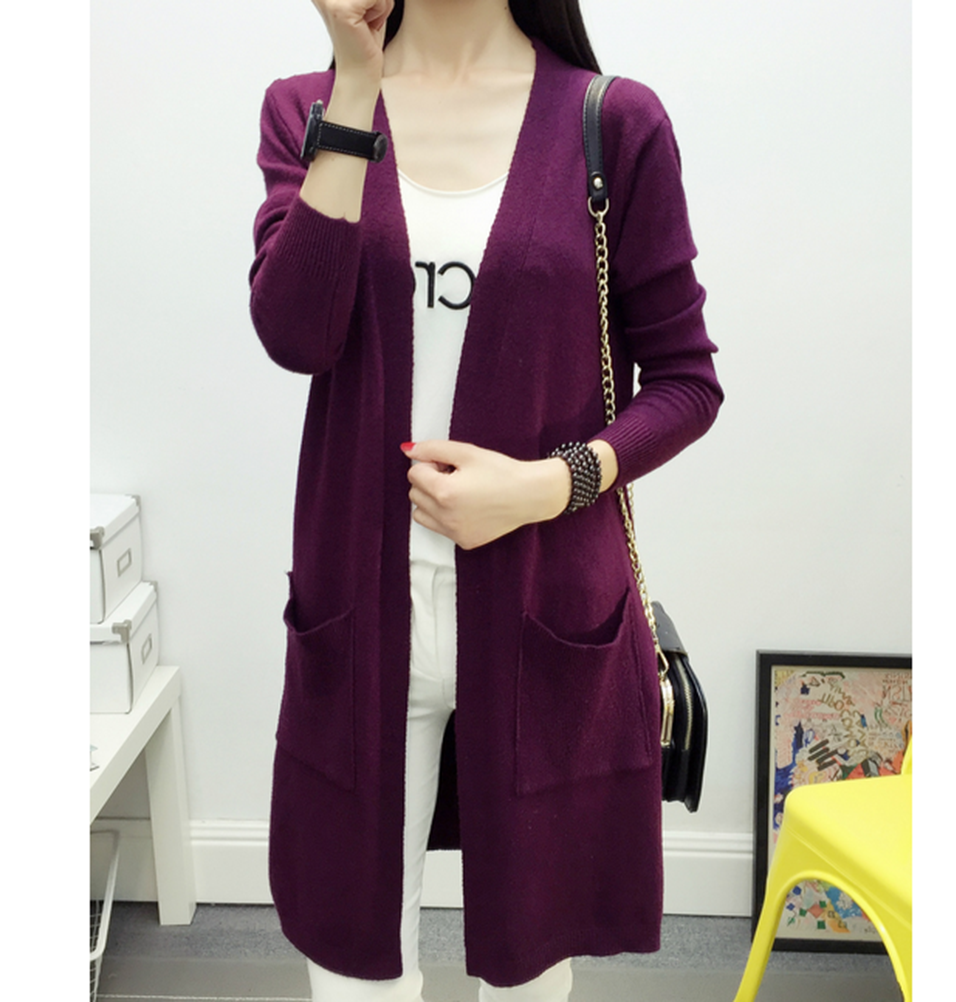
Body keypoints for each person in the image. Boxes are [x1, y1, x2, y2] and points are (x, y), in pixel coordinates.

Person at [249, 1, 723, 999]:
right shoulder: (310, 106)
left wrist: (545, 486)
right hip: (359, 617)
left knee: (530, 965)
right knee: (351, 962)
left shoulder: (611, 123)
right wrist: (356, 82)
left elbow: (686, 381)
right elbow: (297, 334)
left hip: (546, 615)